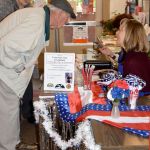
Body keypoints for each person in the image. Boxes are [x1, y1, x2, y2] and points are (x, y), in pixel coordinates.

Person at [0, 0, 76, 149]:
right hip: (5, 72)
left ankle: (14, 143)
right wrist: (20, 66)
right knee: (8, 113)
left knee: (10, 111)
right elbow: (6, 47)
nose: (65, 23)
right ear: (58, 13)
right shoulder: (37, 21)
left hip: (7, 71)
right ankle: (8, 146)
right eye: (66, 18)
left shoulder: (38, 17)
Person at [0, 0, 36, 124]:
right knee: (8, 87)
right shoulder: (4, 5)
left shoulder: (29, 7)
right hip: (6, 49)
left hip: (20, 48)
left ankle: (29, 111)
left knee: (27, 77)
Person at [99, 18, 150, 95]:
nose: (116, 33)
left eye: (120, 30)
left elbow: (131, 91)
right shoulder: (131, 54)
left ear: (130, 35)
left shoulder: (133, 61)